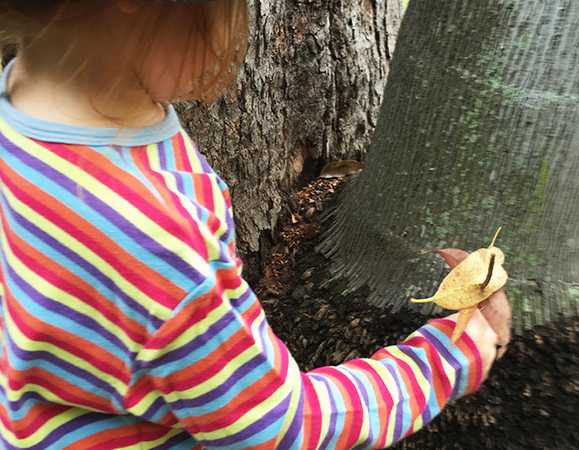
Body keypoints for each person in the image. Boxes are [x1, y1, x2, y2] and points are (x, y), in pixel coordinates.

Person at [0, 1, 511, 448]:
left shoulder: (21, 98)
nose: (238, 31)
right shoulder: (155, 245)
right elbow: (274, 424)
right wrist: (450, 356)